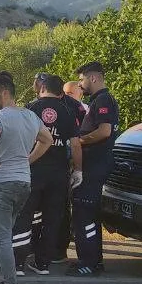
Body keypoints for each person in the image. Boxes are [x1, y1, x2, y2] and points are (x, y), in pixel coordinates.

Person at [0, 75, 52, 284]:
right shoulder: (30, 116)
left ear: (4, 92)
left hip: (0, 183)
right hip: (23, 183)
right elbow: (47, 140)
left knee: (1, 237)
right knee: (5, 231)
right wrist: (27, 160)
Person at [14, 74, 82, 275]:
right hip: (58, 174)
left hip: (33, 171)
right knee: (52, 219)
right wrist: (78, 170)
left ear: (42, 88)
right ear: (61, 93)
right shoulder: (68, 111)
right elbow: (76, 144)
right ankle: (43, 263)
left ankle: (18, 263)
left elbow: (19, 139)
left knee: (24, 216)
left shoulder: (30, 109)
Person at [67, 61, 120, 277]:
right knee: (87, 214)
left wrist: (81, 141)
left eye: (82, 79)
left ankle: (88, 262)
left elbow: (105, 131)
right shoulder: (98, 100)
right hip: (93, 165)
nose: (80, 84)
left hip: (94, 165)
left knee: (85, 214)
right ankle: (93, 260)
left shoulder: (104, 100)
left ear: (94, 78)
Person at [55, 80, 89, 263]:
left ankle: (66, 242)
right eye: (65, 93)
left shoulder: (83, 110)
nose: (67, 96)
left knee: (69, 205)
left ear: (79, 94)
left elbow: (80, 139)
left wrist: (78, 167)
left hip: (74, 160)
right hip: (63, 160)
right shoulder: (63, 109)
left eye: (71, 93)